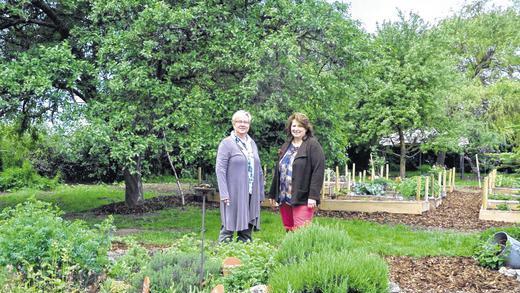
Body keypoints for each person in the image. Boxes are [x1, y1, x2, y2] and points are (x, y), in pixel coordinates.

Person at [268, 113, 325, 231]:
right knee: (289, 229)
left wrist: (313, 196)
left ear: (306, 128)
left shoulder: (312, 145)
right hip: (285, 196)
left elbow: (318, 171)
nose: (296, 129)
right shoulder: (286, 145)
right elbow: (279, 170)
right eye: (294, 126)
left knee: (301, 231)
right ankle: (290, 250)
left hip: (303, 198)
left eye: (300, 126)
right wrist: (273, 193)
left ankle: (304, 250)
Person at [215, 110, 264, 242]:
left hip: (250, 193)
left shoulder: (252, 143)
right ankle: (223, 257)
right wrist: (224, 193)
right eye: (239, 121)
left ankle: (244, 258)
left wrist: (260, 194)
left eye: (246, 122)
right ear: (233, 123)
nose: (243, 124)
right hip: (233, 193)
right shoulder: (227, 143)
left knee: (246, 231)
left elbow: (258, 169)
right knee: (228, 227)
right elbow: (220, 170)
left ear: (249, 124)